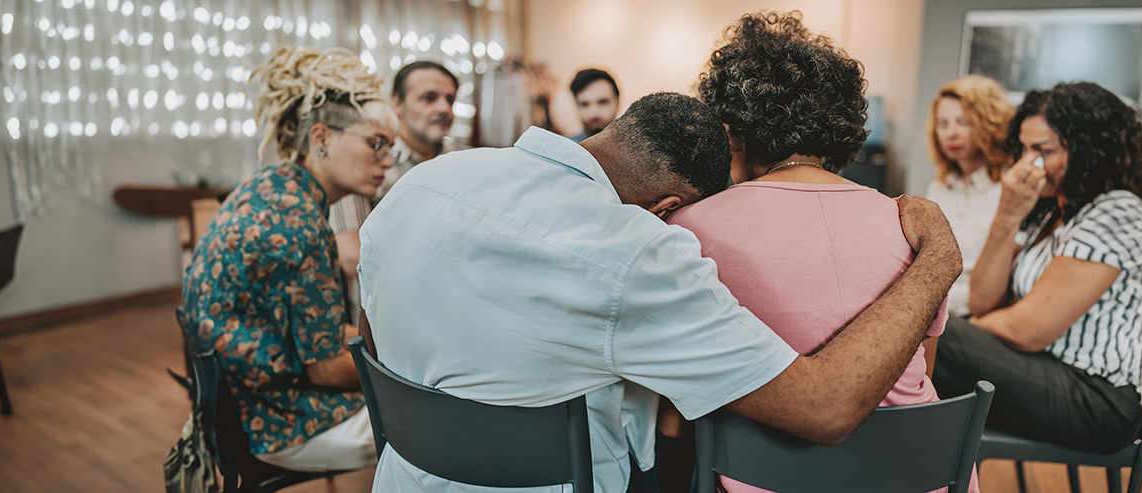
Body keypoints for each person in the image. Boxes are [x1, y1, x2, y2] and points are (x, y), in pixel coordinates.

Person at [357, 92, 962, 492]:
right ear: (670, 208)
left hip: (405, 473)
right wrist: (935, 261)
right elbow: (823, 409)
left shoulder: (426, 181)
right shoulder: (636, 254)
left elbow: (372, 328)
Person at [670, 12, 970, 492]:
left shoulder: (689, 229)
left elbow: (679, 396)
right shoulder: (912, 224)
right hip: (917, 474)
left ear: (732, 131)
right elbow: (919, 370)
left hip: (766, 477)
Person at [180, 46, 398, 471]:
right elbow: (326, 373)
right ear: (320, 138)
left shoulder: (269, 187)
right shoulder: (299, 224)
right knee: (442, 427)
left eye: (389, 147)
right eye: (376, 144)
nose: (387, 162)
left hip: (232, 405)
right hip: (274, 422)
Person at [929, 82, 1142, 455]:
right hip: (1044, 369)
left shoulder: (1118, 210)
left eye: (1043, 151)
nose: (1026, 165)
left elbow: (1027, 330)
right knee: (930, 338)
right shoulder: (1051, 211)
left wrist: (952, 330)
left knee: (929, 330)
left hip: (1097, 399)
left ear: (1089, 150)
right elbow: (985, 298)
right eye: (1023, 149)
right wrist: (1007, 213)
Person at [330, 61, 459, 281]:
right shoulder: (364, 161)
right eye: (429, 98)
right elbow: (353, 257)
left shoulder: (463, 164)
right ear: (397, 103)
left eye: (450, 100)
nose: (444, 109)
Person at [924, 75, 1015, 317]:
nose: (950, 133)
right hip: (930, 300)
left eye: (962, 122)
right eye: (943, 124)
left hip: (970, 312)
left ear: (988, 123)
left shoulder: (1009, 189)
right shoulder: (940, 186)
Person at [568, 68, 620, 142]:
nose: (594, 113)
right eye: (584, 104)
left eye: (603, 102)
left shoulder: (638, 149)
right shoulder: (563, 149)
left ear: (617, 102)